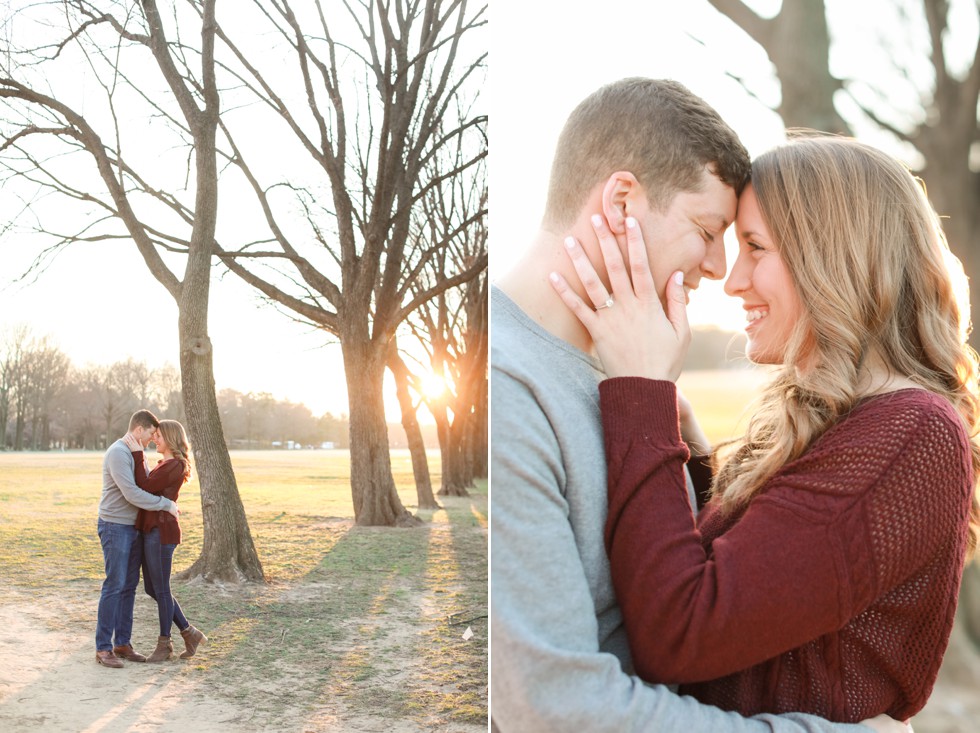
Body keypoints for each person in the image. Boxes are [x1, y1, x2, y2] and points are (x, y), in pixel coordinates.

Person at [491, 77, 905, 733]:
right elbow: (556, 709)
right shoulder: (506, 386)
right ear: (622, 201)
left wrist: (682, 439)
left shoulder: (627, 375)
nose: (719, 268)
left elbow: (691, 595)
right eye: (707, 230)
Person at [550, 134, 980, 722]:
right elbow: (760, 578)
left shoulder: (910, 433)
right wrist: (687, 443)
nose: (732, 280)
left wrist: (643, 399)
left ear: (832, 255)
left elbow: (683, 630)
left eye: (755, 247)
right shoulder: (840, 417)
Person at [96, 409, 179, 668]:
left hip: (132, 528)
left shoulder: (137, 453)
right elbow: (132, 493)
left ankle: (122, 643)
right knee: (115, 584)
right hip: (115, 526)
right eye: (151, 433)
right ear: (139, 430)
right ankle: (103, 648)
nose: (153, 439)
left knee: (129, 586)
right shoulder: (119, 453)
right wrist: (165, 504)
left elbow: (143, 486)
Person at [123, 419, 207, 662]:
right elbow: (148, 486)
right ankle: (189, 633)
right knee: (153, 587)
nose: (154, 439)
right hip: (152, 529)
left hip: (162, 532)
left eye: (158, 436)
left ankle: (164, 644)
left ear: (170, 439)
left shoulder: (175, 466)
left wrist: (138, 455)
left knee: (160, 588)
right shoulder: (165, 464)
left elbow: (145, 485)